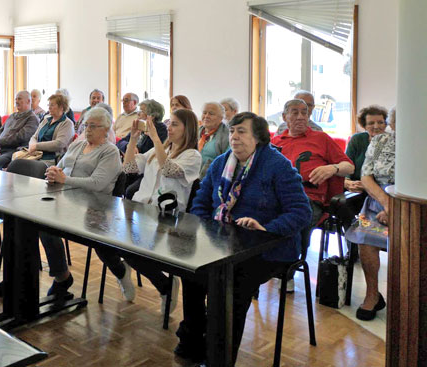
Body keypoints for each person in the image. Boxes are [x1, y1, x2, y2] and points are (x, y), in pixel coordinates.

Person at [175, 112, 311, 363]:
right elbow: (200, 204)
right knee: (192, 273)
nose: (234, 137)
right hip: (222, 241)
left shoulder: (277, 166)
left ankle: (219, 356)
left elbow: (302, 212)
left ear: (258, 137)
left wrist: (266, 227)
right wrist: (207, 229)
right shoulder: (220, 163)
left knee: (232, 284)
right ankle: (192, 340)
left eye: (242, 132)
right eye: (232, 131)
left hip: (268, 245)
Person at [0, 107, 121, 298]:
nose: (88, 129)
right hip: (63, 197)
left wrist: (64, 180)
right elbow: (60, 166)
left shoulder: (110, 152)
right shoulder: (78, 145)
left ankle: (61, 277)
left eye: (93, 126)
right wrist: (52, 173)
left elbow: (98, 184)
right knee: (16, 217)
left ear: (106, 128)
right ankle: (15, 276)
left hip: (89, 208)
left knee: (40, 222)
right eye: (86, 125)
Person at [95, 109, 201, 311]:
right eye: (169, 123)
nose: (169, 127)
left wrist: (155, 137)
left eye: (175, 124)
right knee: (100, 237)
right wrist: (134, 139)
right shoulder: (155, 151)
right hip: (141, 209)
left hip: (167, 216)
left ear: (188, 129)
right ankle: (121, 272)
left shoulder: (192, 156)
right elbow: (129, 168)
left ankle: (165, 286)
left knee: (133, 250)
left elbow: (168, 170)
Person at [272, 98, 354, 291]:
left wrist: (332, 168)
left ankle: (287, 270)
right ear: (285, 117)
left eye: (304, 112)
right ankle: (262, 264)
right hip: (278, 196)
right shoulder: (275, 142)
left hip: (309, 197)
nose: (301, 116)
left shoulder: (321, 139)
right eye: (295, 112)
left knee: (295, 218)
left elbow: (349, 166)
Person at [346, 107, 395, 321]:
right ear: (392, 123)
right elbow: (366, 177)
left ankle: (406, 297)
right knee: (365, 239)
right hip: (378, 200)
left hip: (407, 202)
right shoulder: (379, 142)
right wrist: (386, 204)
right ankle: (372, 295)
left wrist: (395, 207)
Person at [344, 105, 388, 192]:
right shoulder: (357, 139)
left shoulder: (391, 142)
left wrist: (368, 186)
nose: (376, 126)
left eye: (380, 122)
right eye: (371, 123)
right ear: (364, 126)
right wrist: (347, 181)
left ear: (386, 124)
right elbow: (346, 162)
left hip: (380, 189)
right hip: (355, 188)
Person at [0, 91, 39, 169]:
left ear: (28, 101)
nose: (16, 101)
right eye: (16, 99)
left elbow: (20, 137)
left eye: (19, 99)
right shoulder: (12, 116)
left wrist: (0, 143)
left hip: (13, 151)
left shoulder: (32, 119)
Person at [27, 93, 75, 165]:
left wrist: (36, 146)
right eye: (48, 105)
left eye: (52, 105)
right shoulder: (46, 120)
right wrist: (32, 145)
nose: (49, 107)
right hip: (36, 155)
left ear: (61, 107)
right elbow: (34, 136)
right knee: (16, 163)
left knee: (26, 166)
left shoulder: (67, 123)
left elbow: (59, 144)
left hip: (51, 159)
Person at [198, 102, 229, 178]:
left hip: (211, 178)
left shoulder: (227, 135)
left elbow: (227, 162)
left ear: (221, 118)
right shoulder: (196, 132)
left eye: (211, 114)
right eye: (204, 113)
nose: (206, 116)